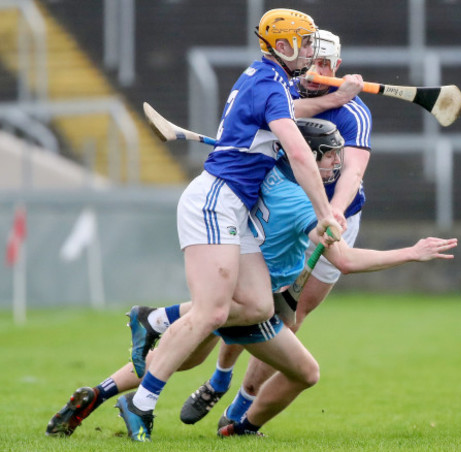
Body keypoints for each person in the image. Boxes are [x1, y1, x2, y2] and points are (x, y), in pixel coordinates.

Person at [45, 119, 458, 439]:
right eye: (331, 155)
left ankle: (101, 389)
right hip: (256, 297)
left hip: (236, 280)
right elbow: (345, 260)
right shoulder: (303, 203)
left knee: (187, 351)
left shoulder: (266, 167)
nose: (338, 162)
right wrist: (411, 252)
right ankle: (237, 425)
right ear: (309, 156)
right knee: (305, 372)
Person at [114, 8, 343, 442]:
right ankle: (140, 403)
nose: (311, 51)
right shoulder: (267, 84)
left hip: (237, 207)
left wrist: (333, 99)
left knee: (257, 306)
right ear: (283, 46)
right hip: (217, 199)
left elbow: (292, 111)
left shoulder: (269, 81)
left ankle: (156, 320)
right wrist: (326, 211)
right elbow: (297, 150)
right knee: (213, 311)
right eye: (306, 42)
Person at [179, 29, 374, 429]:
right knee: (245, 300)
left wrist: (332, 214)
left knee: (289, 316)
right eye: (312, 60)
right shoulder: (285, 92)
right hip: (283, 211)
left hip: (335, 218)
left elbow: (353, 171)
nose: (317, 70)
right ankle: (218, 378)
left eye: (325, 64)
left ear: (335, 66)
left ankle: (242, 405)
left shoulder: (353, 113)